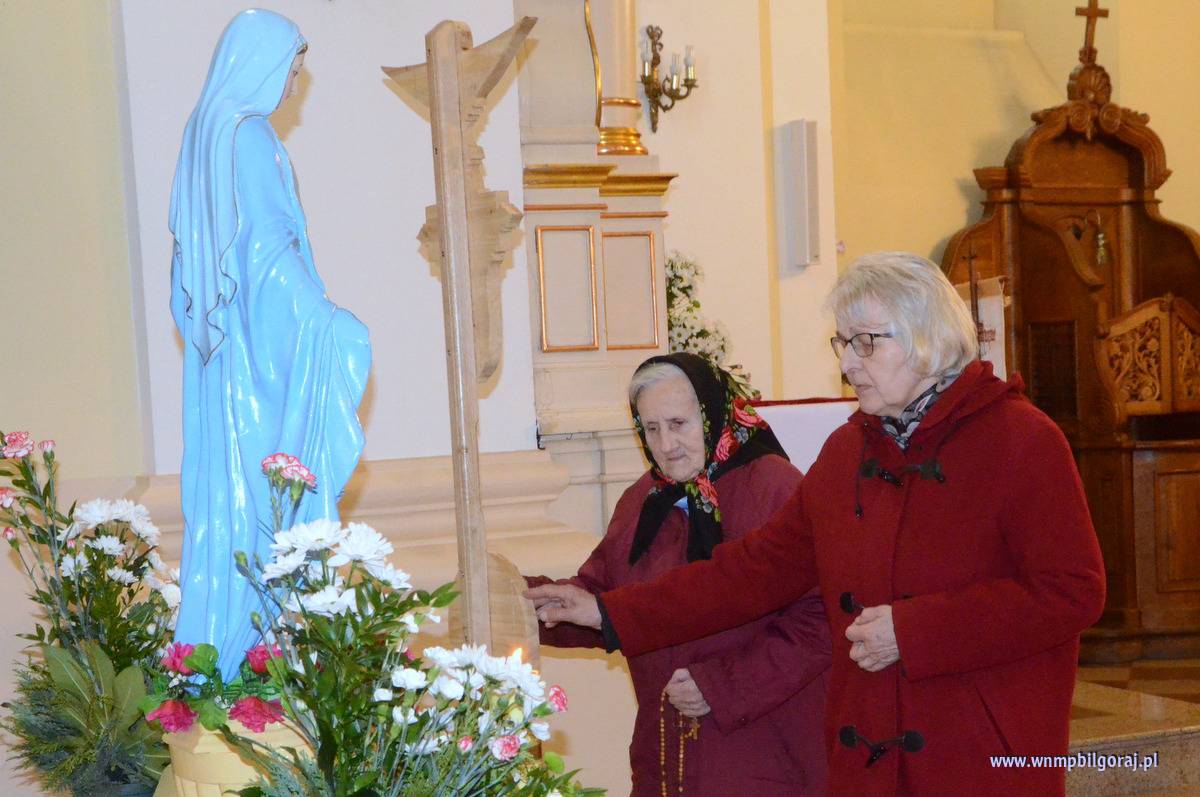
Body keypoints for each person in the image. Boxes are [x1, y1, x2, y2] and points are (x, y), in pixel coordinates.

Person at [526, 253, 1106, 797]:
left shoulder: (1022, 440)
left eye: (865, 342)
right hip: (869, 750)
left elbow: (1072, 591)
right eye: (842, 343)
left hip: (977, 750)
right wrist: (608, 613)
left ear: (927, 339)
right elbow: (751, 573)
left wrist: (915, 632)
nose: (847, 363)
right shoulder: (847, 452)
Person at [169, 9, 371, 676]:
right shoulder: (250, 137)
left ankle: (219, 658)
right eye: (292, 66)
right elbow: (268, 253)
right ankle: (253, 661)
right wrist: (324, 321)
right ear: (260, 64)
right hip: (258, 367)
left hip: (225, 365)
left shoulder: (207, 135)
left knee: (229, 505)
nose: (296, 81)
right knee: (265, 507)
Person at [528, 353, 830, 796]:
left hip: (760, 754)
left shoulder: (774, 488)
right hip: (664, 757)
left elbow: (822, 618)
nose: (666, 445)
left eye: (678, 424)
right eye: (651, 429)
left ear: (712, 413)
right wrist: (533, 603)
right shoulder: (643, 499)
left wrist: (723, 686)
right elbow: (604, 597)